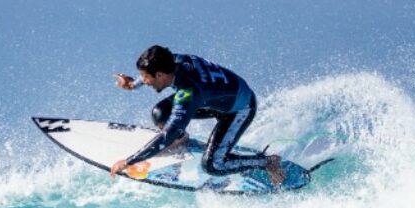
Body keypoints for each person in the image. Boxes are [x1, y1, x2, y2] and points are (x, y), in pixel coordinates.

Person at [110, 45, 285, 186]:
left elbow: (166, 134)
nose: (145, 81)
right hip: (215, 98)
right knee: (160, 114)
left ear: (160, 75)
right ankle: (181, 140)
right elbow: (154, 68)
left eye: (145, 77)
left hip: (239, 109)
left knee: (213, 165)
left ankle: (267, 162)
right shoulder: (174, 61)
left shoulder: (187, 93)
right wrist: (134, 84)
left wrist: (129, 161)